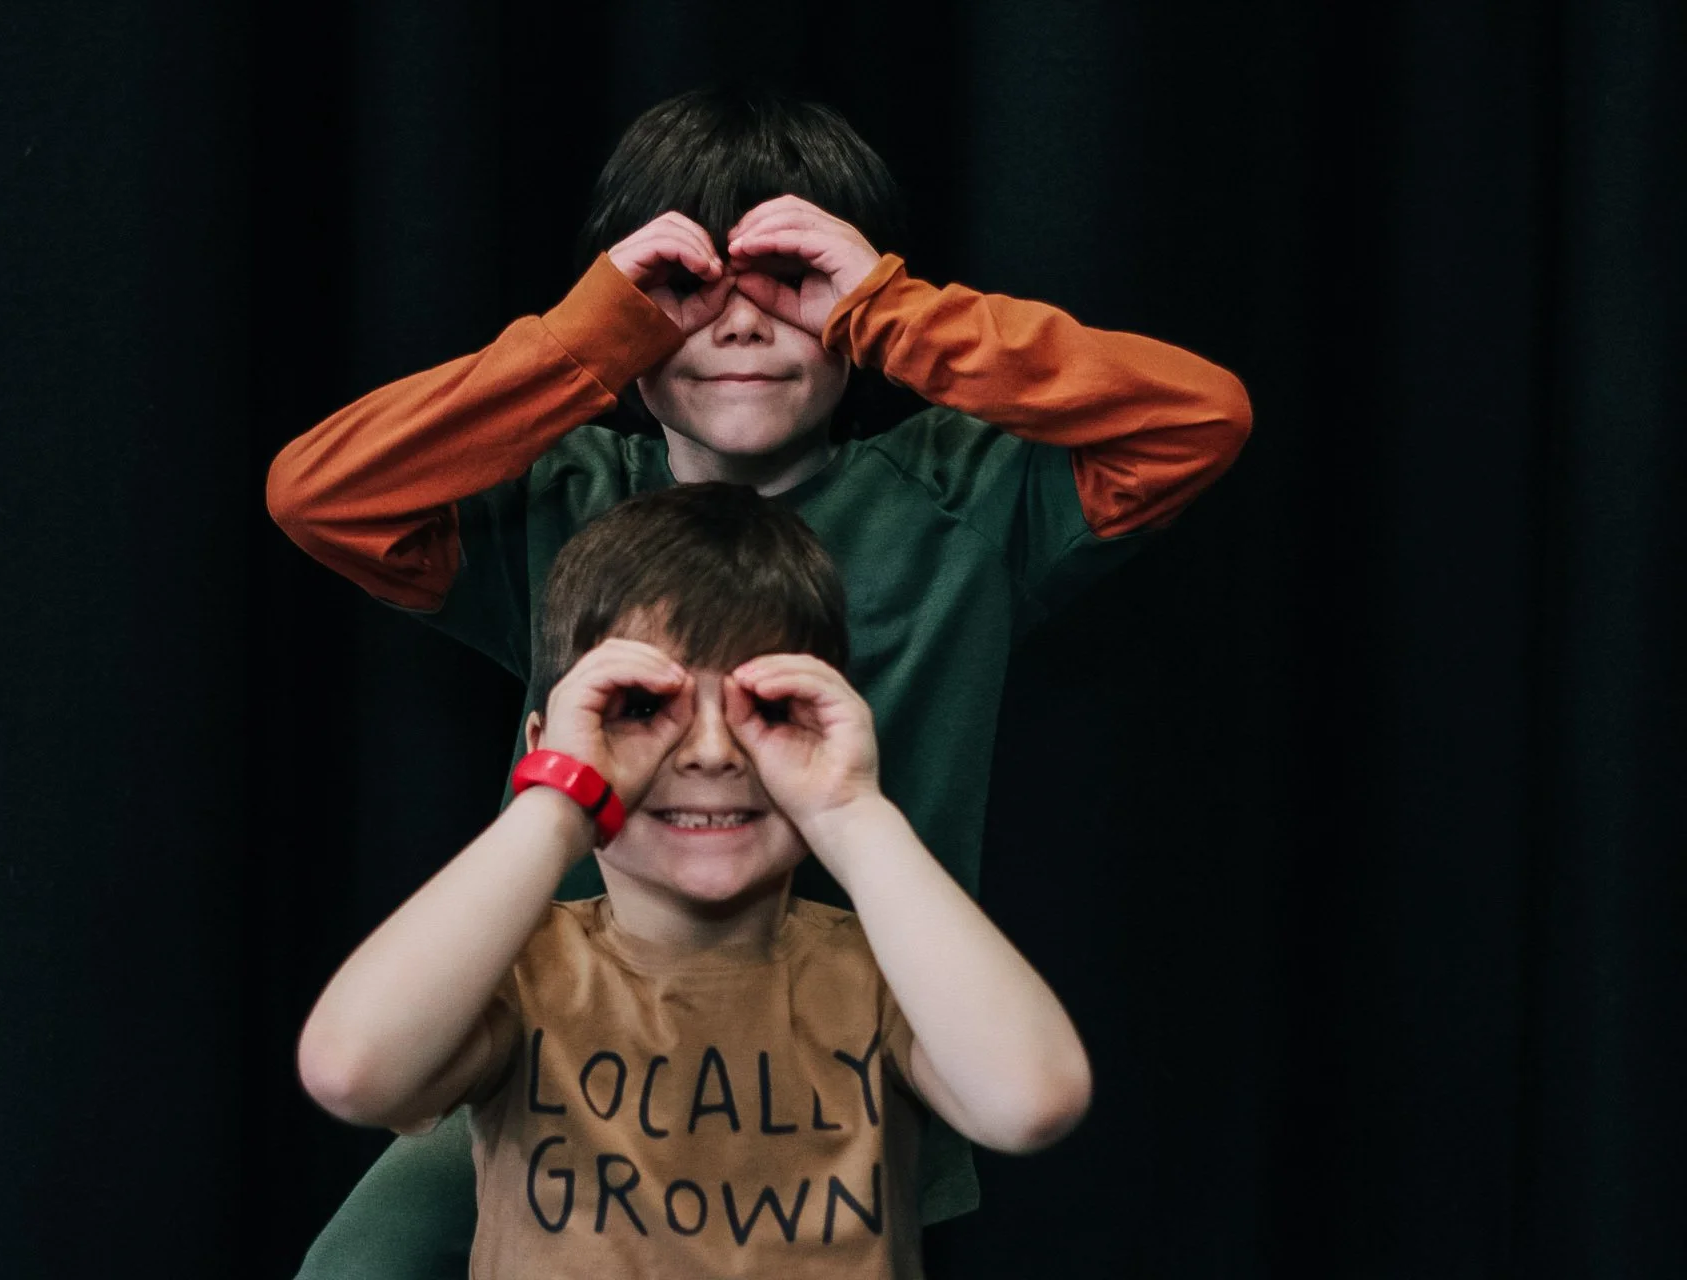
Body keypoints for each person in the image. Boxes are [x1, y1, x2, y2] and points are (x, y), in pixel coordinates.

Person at [268, 85, 1249, 1278]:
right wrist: (596, 337)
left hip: (846, 1035)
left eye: (784, 283)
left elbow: (1197, 420)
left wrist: (888, 311)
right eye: (690, 291)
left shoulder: (961, 500)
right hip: (561, 1035)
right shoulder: (563, 500)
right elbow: (325, 496)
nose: (739, 327)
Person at [298, 484, 1093, 1278]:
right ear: (550, 745)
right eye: (640, 707)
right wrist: (559, 800)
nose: (712, 753)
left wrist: (849, 810)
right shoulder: (518, 972)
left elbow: (1031, 1101)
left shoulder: (887, 975)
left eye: (770, 709)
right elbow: (351, 1071)